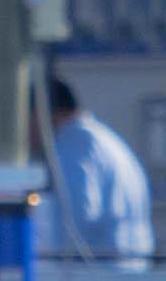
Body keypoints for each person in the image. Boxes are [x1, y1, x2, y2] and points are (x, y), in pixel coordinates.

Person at [43, 66, 153, 266]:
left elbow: (75, 217)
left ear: (44, 114)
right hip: (133, 273)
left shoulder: (75, 145)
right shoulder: (108, 142)